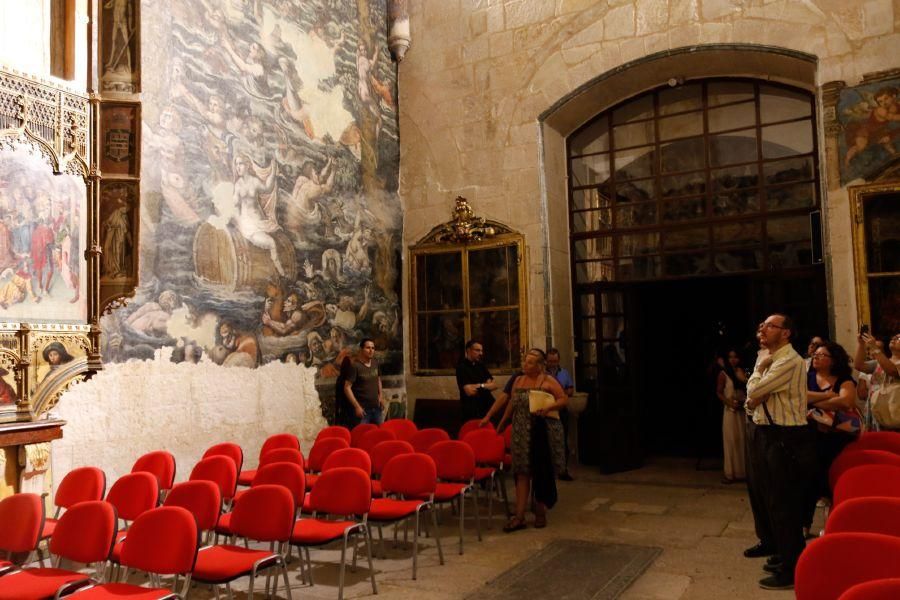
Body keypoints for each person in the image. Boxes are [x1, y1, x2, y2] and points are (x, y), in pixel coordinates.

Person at [744, 314, 815, 591]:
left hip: (785, 438)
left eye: (770, 325)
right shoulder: (770, 357)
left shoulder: (787, 360)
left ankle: (792, 568)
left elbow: (755, 389)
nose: (762, 328)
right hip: (768, 433)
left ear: (786, 333)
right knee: (770, 498)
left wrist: (759, 372)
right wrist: (756, 390)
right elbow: (752, 402)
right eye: (761, 324)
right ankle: (782, 553)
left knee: (783, 504)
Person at [493, 348, 568, 532]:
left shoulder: (548, 380)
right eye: (525, 361)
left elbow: (563, 399)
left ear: (540, 366)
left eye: (529, 362)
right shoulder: (518, 380)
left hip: (542, 429)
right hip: (520, 431)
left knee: (540, 468)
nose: (525, 365)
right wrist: (503, 422)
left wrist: (549, 405)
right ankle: (519, 516)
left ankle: (540, 511)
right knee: (522, 472)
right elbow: (512, 402)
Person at [804, 342, 858, 532]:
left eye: (821, 355)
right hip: (810, 437)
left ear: (833, 360)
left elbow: (846, 401)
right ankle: (805, 524)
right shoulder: (807, 377)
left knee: (833, 481)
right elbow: (798, 397)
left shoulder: (844, 379)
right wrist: (828, 396)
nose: (816, 358)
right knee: (809, 482)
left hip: (837, 440)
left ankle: (832, 526)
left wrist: (814, 401)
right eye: (815, 355)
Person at [854, 331, 900, 431]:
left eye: (899, 338)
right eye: (894, 337)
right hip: (876, 407)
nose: (894, 339)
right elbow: (858, 365)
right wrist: (861, 345)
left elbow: (892, 371)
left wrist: (875, 348)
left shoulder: (886, 362)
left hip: (894, 408)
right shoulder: (881, 361)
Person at [717, 348, 747, 483]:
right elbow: (719, 392)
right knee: (731, 441)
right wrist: (729, 403)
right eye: (730, 357)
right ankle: (730, 473)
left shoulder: (741, 372)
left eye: (735, 357)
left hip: (742, 410)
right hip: (730, 411)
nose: (733, 360)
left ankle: (744, 473)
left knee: (742, 440)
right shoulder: (723, 374)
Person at [545, 348, 575, 481]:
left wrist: (563, 393)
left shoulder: (564, 373)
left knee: (562, 439)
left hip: (561, 409)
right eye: (550, 361)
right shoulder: (542, 374)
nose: (553, 364)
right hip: (547, 409)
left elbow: (570, 389)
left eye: (555, 361)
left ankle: (563, 469)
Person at [343, 338, 384, 425]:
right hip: (363, 411)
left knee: (380, 434)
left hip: (377, 408)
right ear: (361, 350)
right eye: (368, 348)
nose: (371, 350)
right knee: (363, 436)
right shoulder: (355, 366)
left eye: (373, 348)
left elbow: (378, 379)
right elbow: (347, 388)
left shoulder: (375, 363)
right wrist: (357, 406)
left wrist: (380, 396)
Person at [456, 340, 498, 421]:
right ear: (468, 350)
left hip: (488, 407)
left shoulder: (481, 365)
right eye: (477, 350)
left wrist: (479, 386)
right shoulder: (461, 367)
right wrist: (486, 386)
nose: (481, 353)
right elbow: (469, 391)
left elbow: (494, 385)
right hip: (472, 410)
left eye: (481, 350)